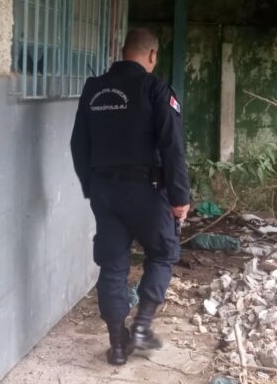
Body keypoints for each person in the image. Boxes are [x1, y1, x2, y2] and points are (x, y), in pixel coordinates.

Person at [70, 28, 190, 366]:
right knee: (163, 254)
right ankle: (141, 326)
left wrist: (90, 187)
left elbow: (78, 144)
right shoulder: (155, 88)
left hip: (105, 192)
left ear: (124, 51)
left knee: (112, 266)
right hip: (147, 191)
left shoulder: (93, 89)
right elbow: (172, 147)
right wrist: (179, 197)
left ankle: (117, 344)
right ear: (152, 55)